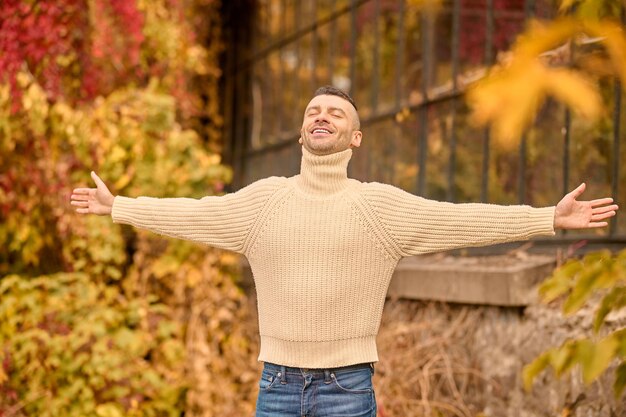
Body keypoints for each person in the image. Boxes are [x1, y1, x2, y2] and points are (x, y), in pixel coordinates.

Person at [71, 85, 618, 417]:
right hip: (276, 385)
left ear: (355, 138)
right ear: (301, 132)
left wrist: (547, 218)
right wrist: (119, 207)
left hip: (347, 387)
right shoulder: (263, 202)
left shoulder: (379, 207)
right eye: (314, 111)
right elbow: (190, 213)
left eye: (336, 112)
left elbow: (460, 219)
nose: (322, 115)